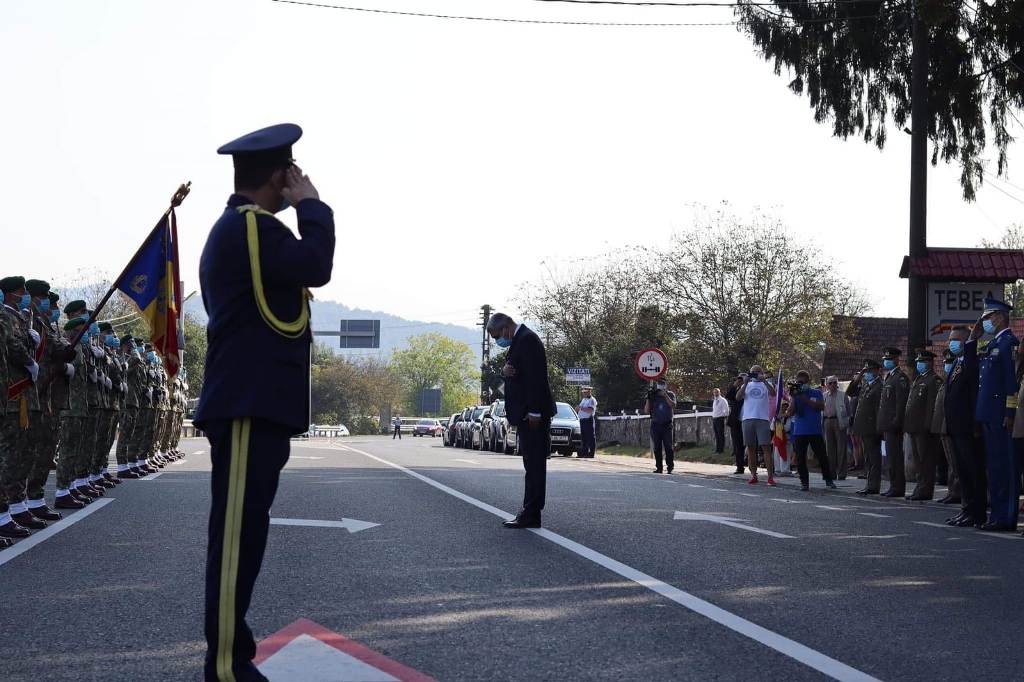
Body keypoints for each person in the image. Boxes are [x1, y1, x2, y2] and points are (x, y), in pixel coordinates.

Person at [194, 123, 336, 681]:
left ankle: (231, 657)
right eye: (292, 174)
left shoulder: (245, 230)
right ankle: (227, 665)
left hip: (256, 401)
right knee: (236, 540)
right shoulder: (250, 228)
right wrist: (314, 207)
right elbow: (315, 266)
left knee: (244, 536)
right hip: (248, 401)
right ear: (281, 175)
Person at [486, 312, 556, 529]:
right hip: (526, 413)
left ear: (506, 327)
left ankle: (532, 513)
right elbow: (519, 373)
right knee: (531, 464)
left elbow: (535, 378)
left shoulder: (527, 340)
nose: (499, 341)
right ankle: (530, 510)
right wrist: (505, 372)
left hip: (532, 414)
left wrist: (534, 411)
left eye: (498, 336)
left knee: (535, 465)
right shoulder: (519, 341)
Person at [972, 299, 1020, 532]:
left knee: (1005, 467)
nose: (985, 322)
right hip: (989, 415)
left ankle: (1006, 517)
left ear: (1000, 317)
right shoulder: (992, 344)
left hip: (1001, 415)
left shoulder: (1009, 343)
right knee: (994, 467)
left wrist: (1010, 413)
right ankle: (997, 514)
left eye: (988, 318)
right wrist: (973, 337)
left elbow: (1012, 384)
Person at [786, 370, 836, 491]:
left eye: (802, 382)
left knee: (822, 457)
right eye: (798, 382)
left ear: (808, 382)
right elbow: (790, 412)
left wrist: (803, 397)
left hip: (815, 431)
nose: (800, 384)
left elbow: (819, 407)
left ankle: (828, 479)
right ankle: (804, 482)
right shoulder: (795, 395)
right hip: (800, 431)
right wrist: (793, 398)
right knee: (801, 459)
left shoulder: (816, 392)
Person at [904, 350, 942, 501]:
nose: (919, 364)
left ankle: (925, 490)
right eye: (919, 361)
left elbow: (931, 405)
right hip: (914, 426)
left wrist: (928, 426)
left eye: (923, 361)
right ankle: (920, 487)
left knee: (926, 461)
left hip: (924, 429)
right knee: (919, 461)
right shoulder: (919, 379)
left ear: (930, 363)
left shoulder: (934, 380)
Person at [878, 347, 910, 498]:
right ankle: (893, 485)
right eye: (885, 359)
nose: (886, 361)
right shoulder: (889, 377)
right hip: (886, 424)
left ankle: (898, 487)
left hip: (893, 424)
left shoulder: (900, 378)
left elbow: (901, 402)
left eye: (889, 359)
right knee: (890, 457)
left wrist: (897, 421)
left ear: (897, 360)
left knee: (895, 457)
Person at [737, 365, 776, 485]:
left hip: (763, 419)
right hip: (748, 419)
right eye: (753, 372)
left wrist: (764, 380)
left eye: (758, 372)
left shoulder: (766, 384)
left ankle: (770, 477)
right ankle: (753, 475)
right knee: (751, 448)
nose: (755, 374)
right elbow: (738, 397)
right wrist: (745, 383)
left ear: (762, 373)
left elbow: (773, 394)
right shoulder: (747, 385)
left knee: (766, 448)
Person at [850, 360, 884, 494]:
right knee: (868, 457)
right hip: (863, 427)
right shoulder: (865, 385)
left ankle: (874, 485)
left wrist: (878, 428)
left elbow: (879, 410)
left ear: (877, 371)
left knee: (874, 458)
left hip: (872, 427)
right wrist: (860, 375)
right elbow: (851, 391)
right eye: (866, 371)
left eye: (870, 371)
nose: (867, 373)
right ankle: (869, 484)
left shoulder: (879, 386)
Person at [934, 349, 960, 505]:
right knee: (951, 462)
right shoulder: (946, 380)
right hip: (944, 426)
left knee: (956, 463)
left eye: (950, 363)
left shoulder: (954, 379)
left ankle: (957, 492)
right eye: (946, 363)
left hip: (953, 425)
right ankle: (952, 491)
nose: (947, 366)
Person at [644, 380, 676, 473]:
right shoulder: (653, 395)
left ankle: (670, 467)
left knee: (668, 447)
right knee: (657, 447)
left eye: (662, 384)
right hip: (655, 424)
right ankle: (659, 467)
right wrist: (648, 398)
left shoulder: (671, 394)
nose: (661, 386)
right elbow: (646, 411)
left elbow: (673, 405)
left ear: (666, 385)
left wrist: (665, 395)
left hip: (667, 425)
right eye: (659, 384)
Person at [822, 375, 850, 480]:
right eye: (830, 383)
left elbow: (848, 410)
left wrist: (845, 422)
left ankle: (842, 473)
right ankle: (831, 473)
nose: (833, 385)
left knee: (841, 448)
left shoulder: (843, 395)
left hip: (839, 422)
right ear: (826, 385)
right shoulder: (824, 395)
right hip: (827, 422)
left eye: (834, 382)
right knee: (829, 449)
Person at [725, 376, 745, 474]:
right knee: (737, 445)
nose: (740, 381)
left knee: (750, 445)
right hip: (736, 421)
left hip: (747, 419)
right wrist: (735, 385)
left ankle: (751, 465)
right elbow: (728, 396)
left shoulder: (749, 388)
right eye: (739, 380)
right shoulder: (735, 390)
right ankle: (740, 466)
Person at [577, 386, 597, 458]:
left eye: (585, 392)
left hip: (588, 420)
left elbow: (590, 410)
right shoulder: (584, 399)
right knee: (584, 437)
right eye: (583, 392)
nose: (584, 394)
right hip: (582, 420)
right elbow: (579, 408)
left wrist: (581, 408)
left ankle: (591, 454)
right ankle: (584, 453)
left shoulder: (592, 400)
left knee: (590, 437)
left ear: (589, 392)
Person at [711, 387, 730, 454]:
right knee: (716, 435)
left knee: (720, 434)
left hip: (720, 419)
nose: (715, 393)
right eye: (714, 392)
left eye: (717, 392)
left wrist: (722, 416)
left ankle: (721, 450)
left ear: (719, 392)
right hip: (715, 418)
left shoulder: (723, 400)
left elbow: (726, 410)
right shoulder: (714, 400)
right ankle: (717, 449)